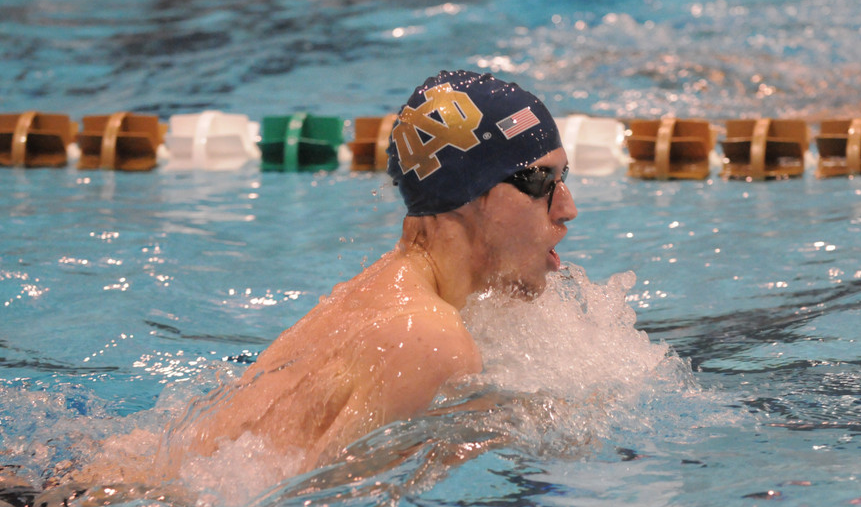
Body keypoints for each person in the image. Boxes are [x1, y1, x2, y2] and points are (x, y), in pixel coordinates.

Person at [180, 70, 578, 473]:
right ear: (467, 195)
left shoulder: (389, 289)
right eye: (540, 180)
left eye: (564, 178)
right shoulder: (430, 341)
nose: (566, 209)